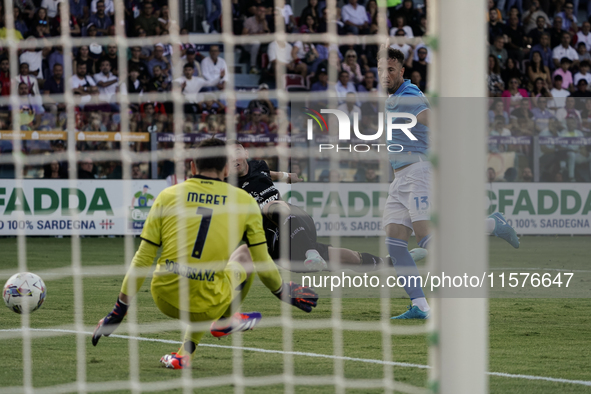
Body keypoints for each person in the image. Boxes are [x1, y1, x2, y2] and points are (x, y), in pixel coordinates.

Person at [91, 138, 318, 369]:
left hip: (163, 297)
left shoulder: (168, 196)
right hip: (210, 301)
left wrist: (118, 311)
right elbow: (262, 260)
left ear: (192, 167)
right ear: (226, 168)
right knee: (245, 255)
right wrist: (281, 291)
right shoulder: (243, 201)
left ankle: (183, 355)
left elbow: (142, 258)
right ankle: (224, 319)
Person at [377, 47, 519, 319]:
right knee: (395, 243)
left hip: (418, 172)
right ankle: (420, 305)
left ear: (401, 71)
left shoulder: (409, 94)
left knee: (428, 239)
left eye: (391, 69)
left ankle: (491, 225)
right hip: (400, 178)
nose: (386, 75)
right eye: (382, 70)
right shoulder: (393, 97)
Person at [225, 140, 418, 274]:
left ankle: (391, 262)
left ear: (246, 154)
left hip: (294, 221)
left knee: (275, 205)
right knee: (347, 258)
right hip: (277, 246)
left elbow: (270, 173)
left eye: (238, 152)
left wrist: (287, 176)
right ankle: (388, 263)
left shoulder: (259, 165)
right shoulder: (227, 185)